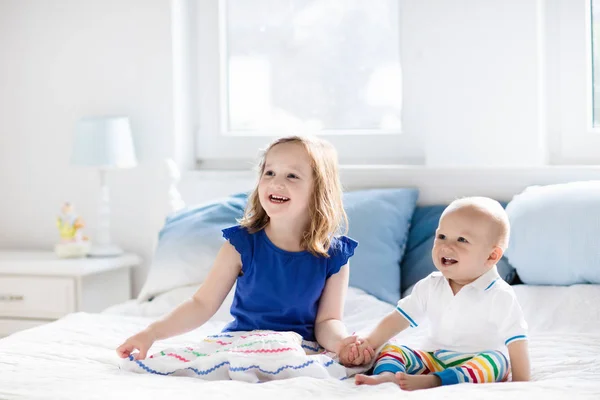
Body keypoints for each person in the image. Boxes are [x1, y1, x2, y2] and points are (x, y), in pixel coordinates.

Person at [117, 135, 372, 367]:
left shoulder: (335, 255)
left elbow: (327, 322)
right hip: (244, 343)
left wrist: (342, 344)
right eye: (269, 172)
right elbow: (201, 304)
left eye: (292, 176)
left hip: (298, 349)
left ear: (318, 189)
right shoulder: (241, 244)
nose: (276, 182)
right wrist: (150, 333)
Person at [343, 197, 530, 390]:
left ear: (492, 256)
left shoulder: (500, 295)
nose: (446, 246)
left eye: (462, 240)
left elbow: (517, 343)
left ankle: (435, 381)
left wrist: (522, 386)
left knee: (498, 361)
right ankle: (388, 375)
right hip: (435, 357)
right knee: (392, 347)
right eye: (441, 236)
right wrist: (369, 343)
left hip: (477, 361)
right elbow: (397, 320)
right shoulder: (431, 284)